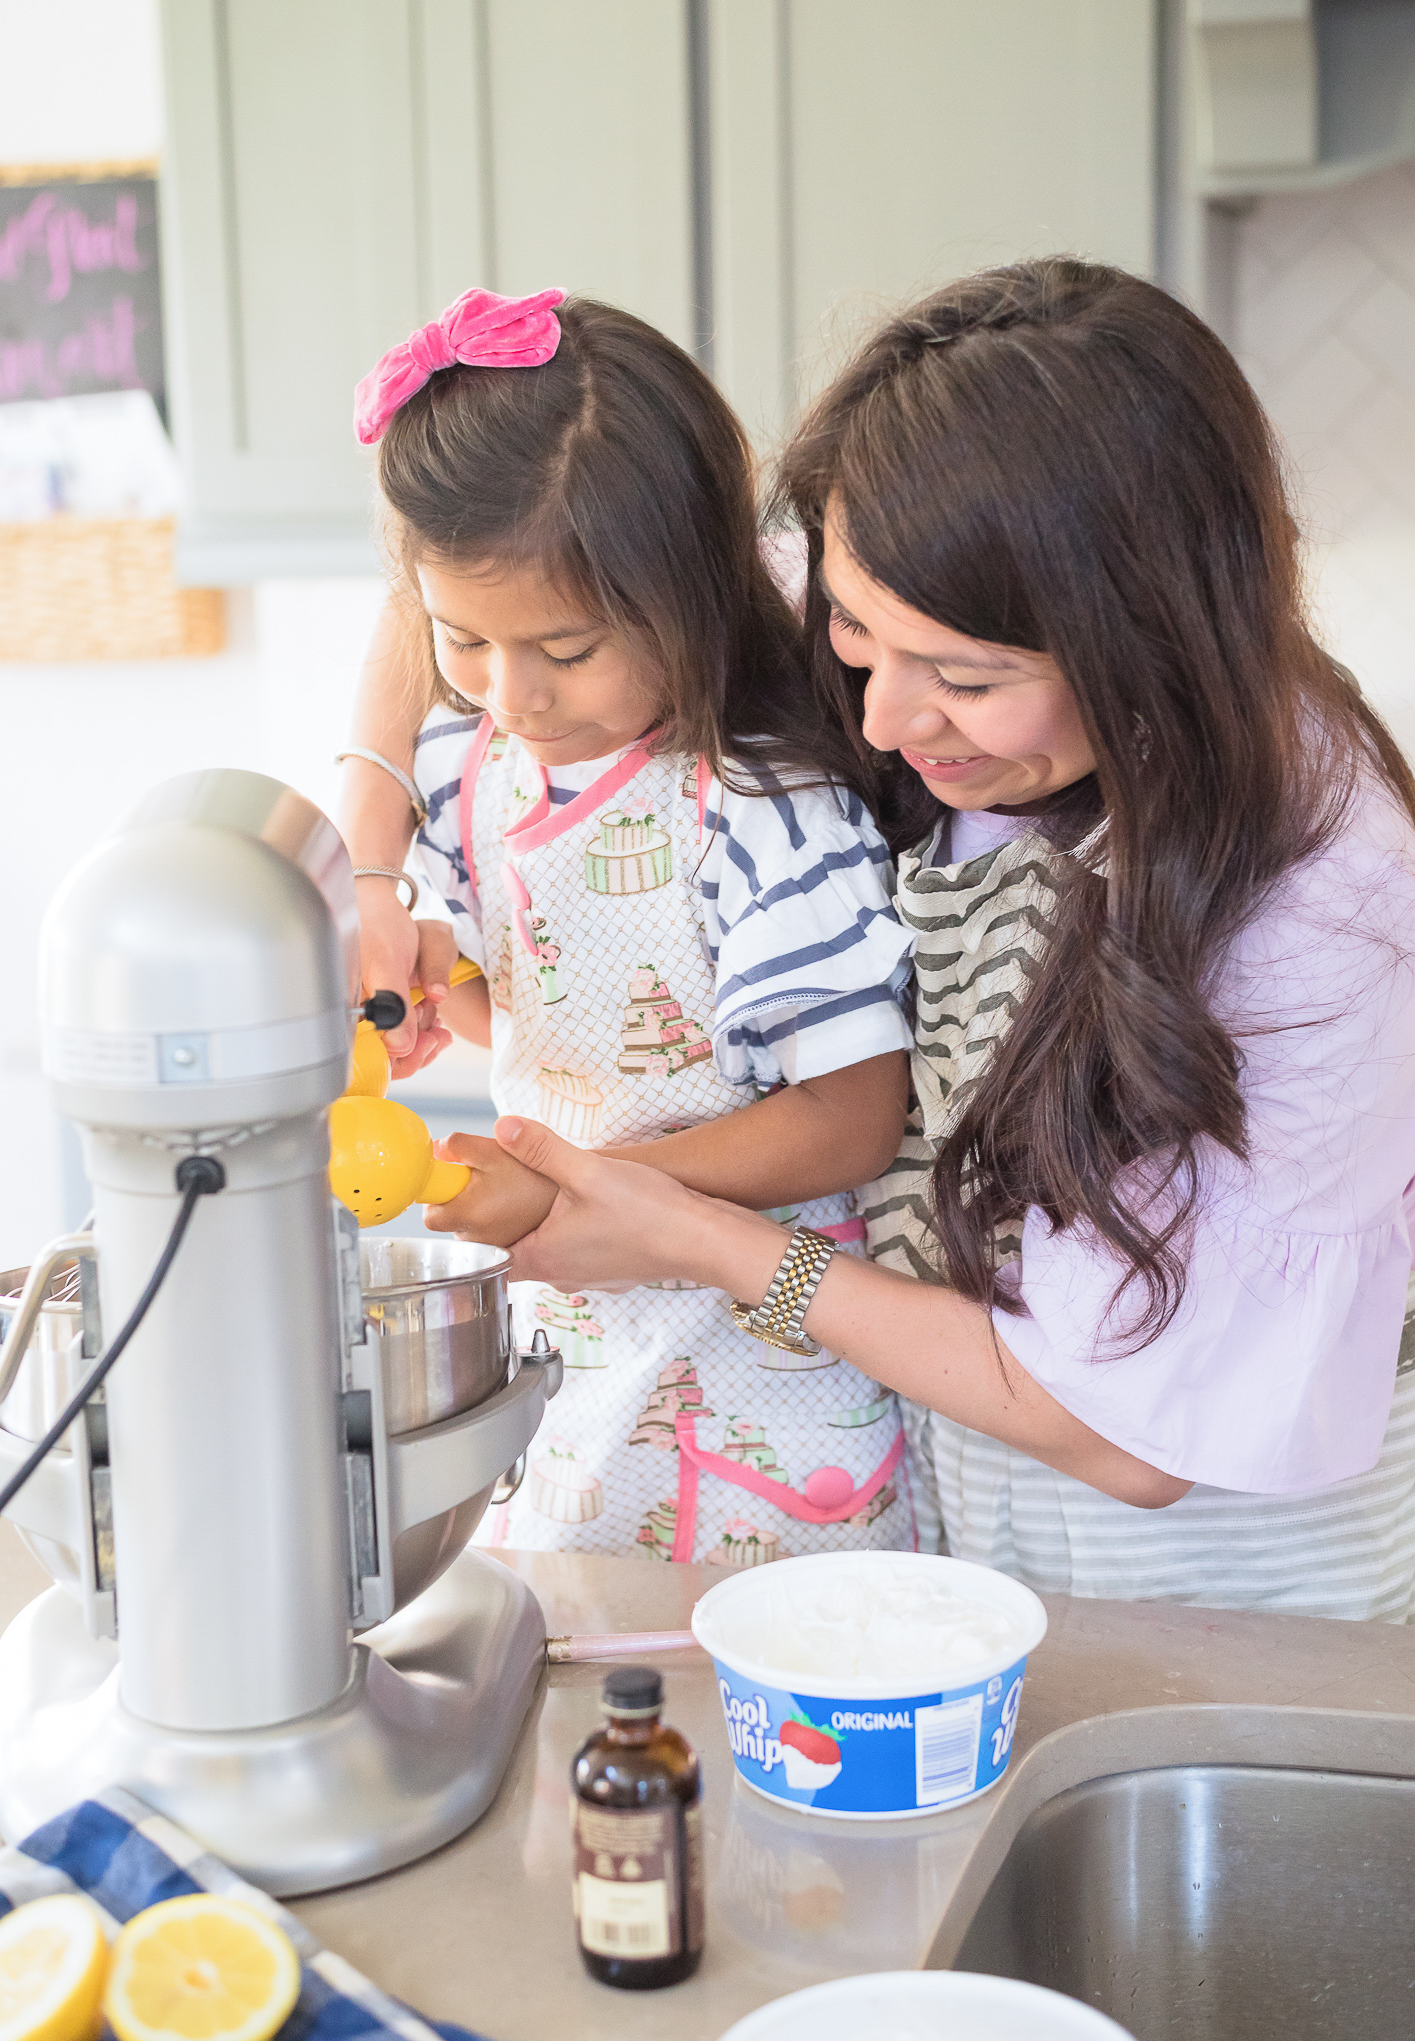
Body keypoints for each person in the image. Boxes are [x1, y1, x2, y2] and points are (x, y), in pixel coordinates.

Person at [475, 259, 1415, 1623]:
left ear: (1143, 639)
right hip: (991, 1536)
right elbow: (514, 538)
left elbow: (1124, 1435)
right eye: (855, 635)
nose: (882, 720)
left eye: (965, 679)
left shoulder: (1319, 900)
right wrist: (364, 842)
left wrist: (708, 1239)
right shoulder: (944, 641)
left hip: (1234, 1598)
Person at [339, 283, 919, 1562]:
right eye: (465, 641)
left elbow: (851, 1113)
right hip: (582, 1398)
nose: (514, 694)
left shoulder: (765, 806)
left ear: (690, 592)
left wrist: (583, 1188)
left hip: (768, 1412)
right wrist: (464, 989)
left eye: (569, 645)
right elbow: (595, 1036)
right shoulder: (471, 766)